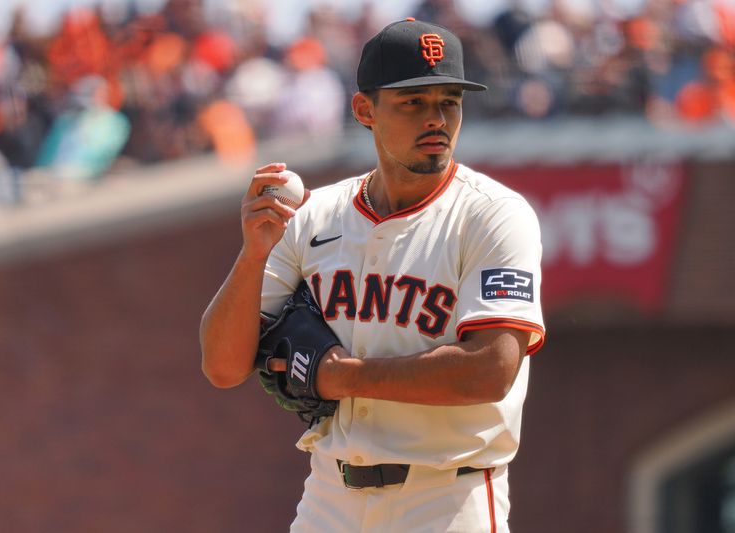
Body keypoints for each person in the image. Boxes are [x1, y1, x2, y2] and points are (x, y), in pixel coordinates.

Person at [200, 18, 545, 533]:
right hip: (329, 496)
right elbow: (222, 367)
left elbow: (490, 369)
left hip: (447, 496)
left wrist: (344, 377)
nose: (437, 119)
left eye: (449, 101)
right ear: (365, 110)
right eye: (413, 102)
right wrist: (252, 256)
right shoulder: (315, 215)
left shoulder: (492, 213)